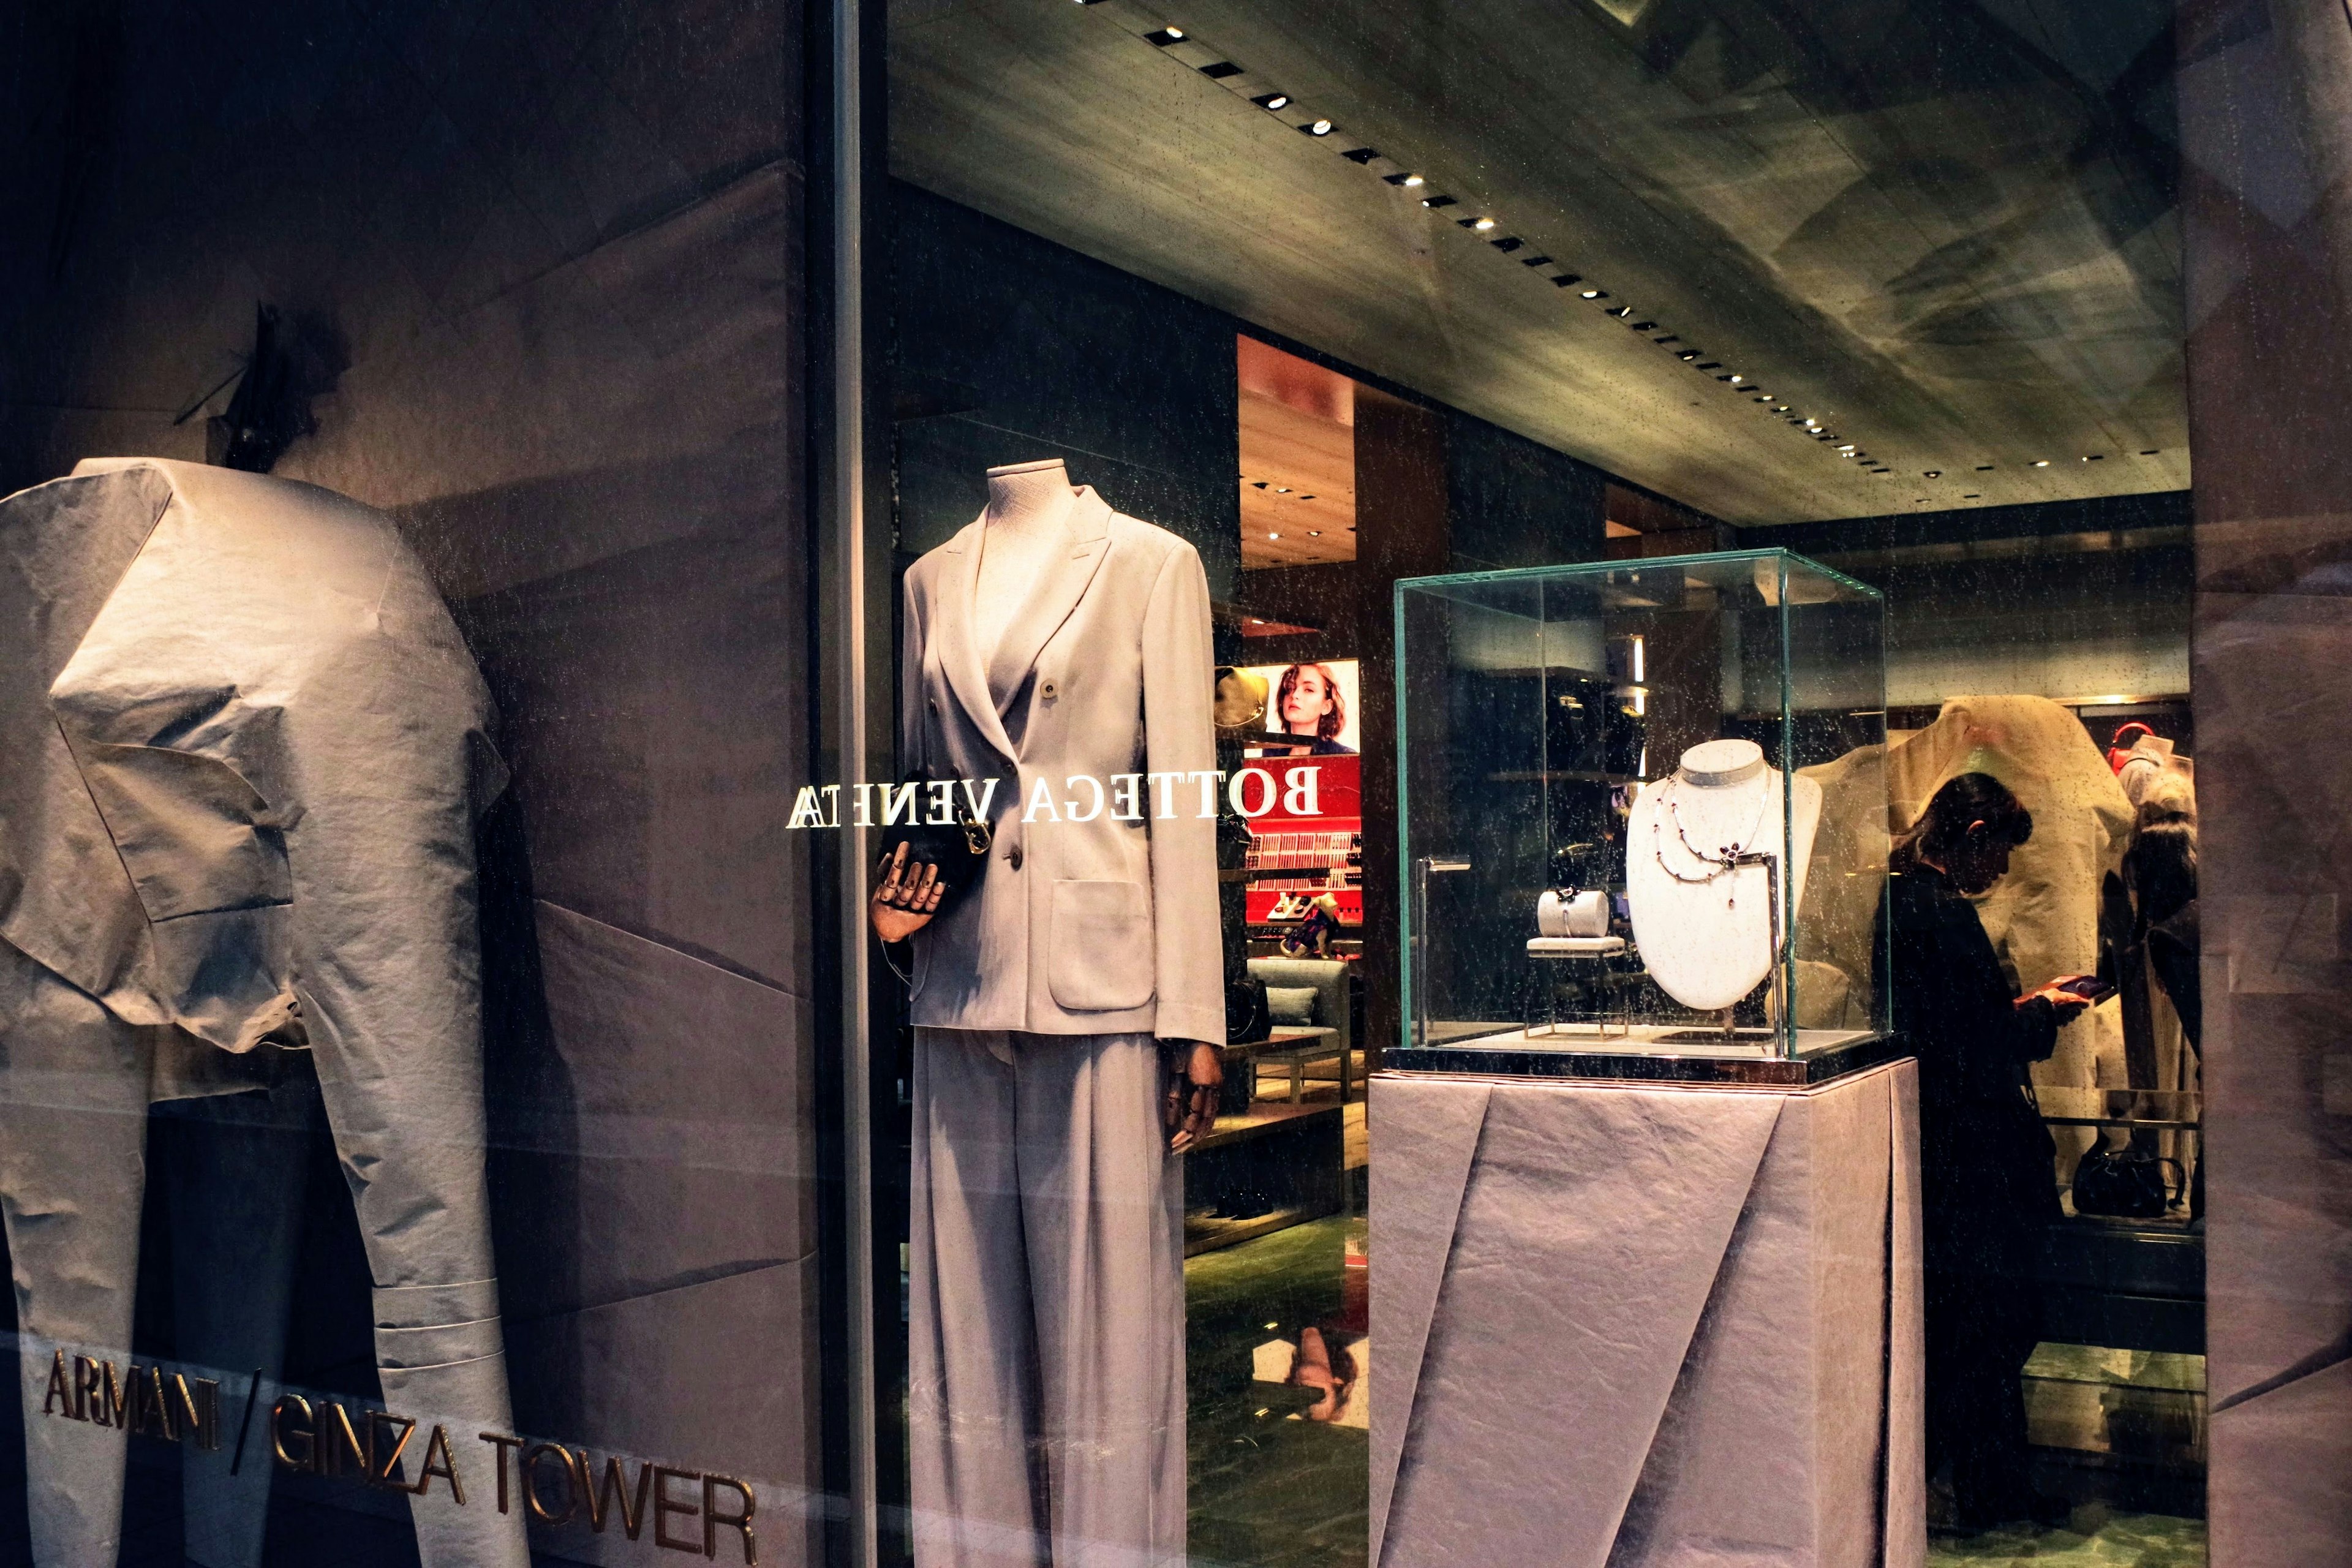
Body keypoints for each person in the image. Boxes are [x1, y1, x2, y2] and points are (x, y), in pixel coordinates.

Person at [1874, 772, 2090, 1532]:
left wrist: (2023, 1008)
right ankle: (1989, 1491)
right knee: (1993, 1328)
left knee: (1975, 1332)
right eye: (1997, 856)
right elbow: (1978, 1043)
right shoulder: (1941, 914)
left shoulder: (1901, 904)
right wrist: (2045, 1015)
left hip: (1943, 1150)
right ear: (1972, 839)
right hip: (1975, 1156)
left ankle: (1979, 1490)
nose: (1999, 874)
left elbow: (1950, 1028)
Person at [1272, 662, 1355, 754]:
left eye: (1309, 690)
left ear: (1327, 707)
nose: (1294, 695)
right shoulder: (1271, 752)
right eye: (1289, 688)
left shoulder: (1343, 756)